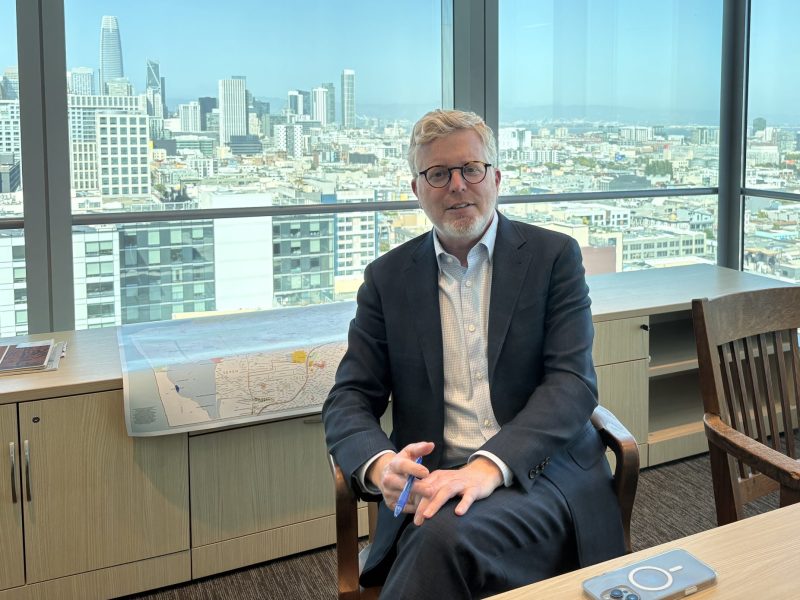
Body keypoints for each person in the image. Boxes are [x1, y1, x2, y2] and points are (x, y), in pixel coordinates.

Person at [322, 109, 625, 599]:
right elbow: (349, 397)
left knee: (440, 543)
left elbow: (572, 384)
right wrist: (380, 466)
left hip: (541, 476)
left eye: (471, 169)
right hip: (434, 482)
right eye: (438, 174)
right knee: (442, 538)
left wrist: (488, 467)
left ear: (497, 178)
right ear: (417, 189)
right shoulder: (387, 279)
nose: (457, 185)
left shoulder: (554, 258)